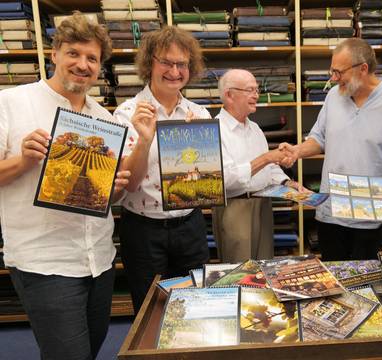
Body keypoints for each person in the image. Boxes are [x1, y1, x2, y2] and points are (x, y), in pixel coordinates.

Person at [0, 12, 130, 360]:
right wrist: (24, 161)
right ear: (54, 53)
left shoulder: (104, 119)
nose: (82, 64)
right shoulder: (12, 102)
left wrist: (114, 187)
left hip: (99, 259)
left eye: (92, 58)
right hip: (45, 262)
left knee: (90, 348)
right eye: (74, 53)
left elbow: (106, 197)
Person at [279, 38, 382, 261]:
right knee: (332, 277)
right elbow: (319, 138)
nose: (333, 78)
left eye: (339, 72)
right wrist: (296, 151)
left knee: (362, 280)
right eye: (332, 71)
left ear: (363, 69)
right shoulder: (334, 96)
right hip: (329, 213)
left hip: (370, 214)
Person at [114, 26, 210, 314]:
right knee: (149, 311)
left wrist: (200, 149)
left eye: (182, 64)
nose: (174, 71)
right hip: (144, 230)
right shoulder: (127, 113)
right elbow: (128, 185)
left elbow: (205, 183)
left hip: (189, 225)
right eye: (166, 62)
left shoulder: (200, 115)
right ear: (149, 64)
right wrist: (145, 139)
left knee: (195, 306)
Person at [212, 69, 305, 263]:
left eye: (257, 89)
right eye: (250, 90)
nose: (256, 95)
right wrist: (266, 158)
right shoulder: (214, 131)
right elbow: (225, 179)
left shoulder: (254, 128)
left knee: (264, 268)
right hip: (235, 207)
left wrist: (287, 182)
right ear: (229, 95)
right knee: (238, 273)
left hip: (263, 205)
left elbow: (270, 169)